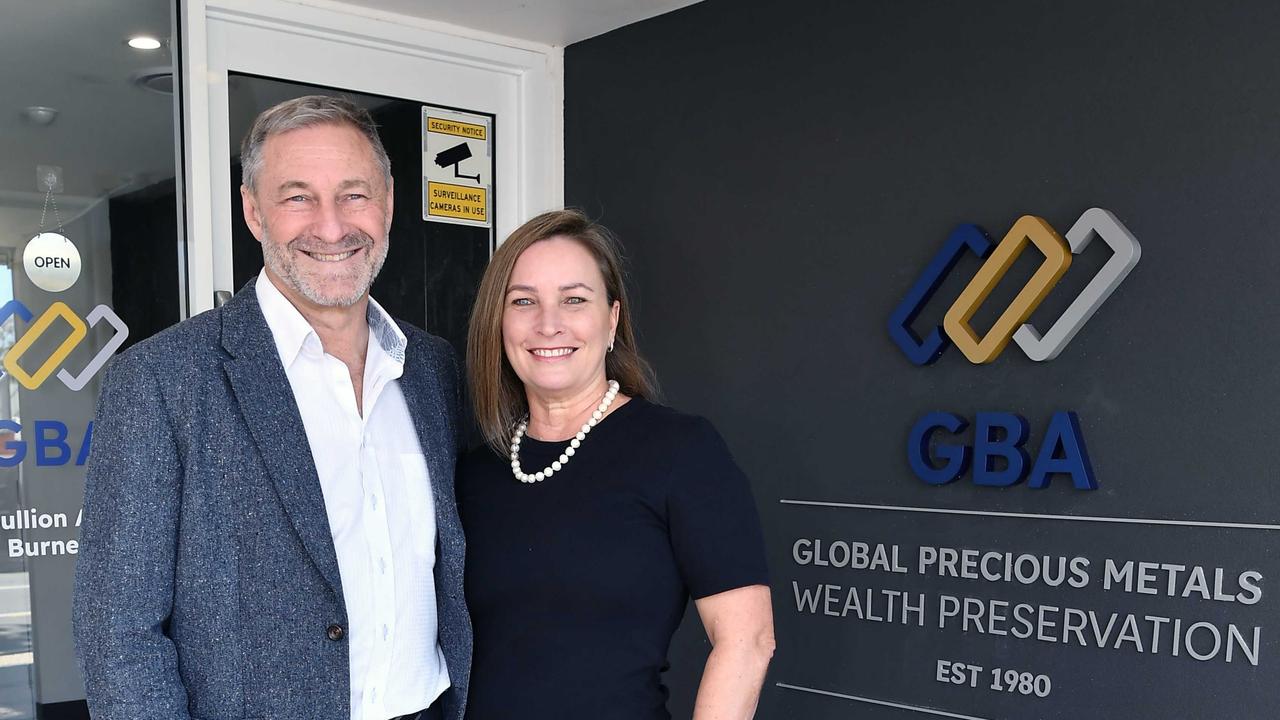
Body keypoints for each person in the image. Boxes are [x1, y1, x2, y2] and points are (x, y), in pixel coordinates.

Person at [73, 95, 471, 720]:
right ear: (253, 212)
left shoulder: (433, 370)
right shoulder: (162, 381)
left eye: (353, 194)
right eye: (297, 197)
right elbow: (118, 633)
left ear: (389, 203)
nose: (332, 226)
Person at [458, 209, 774, 719]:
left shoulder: (679, 451)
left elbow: (748, 638)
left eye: (574, 299)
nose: (548, 323)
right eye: (523, 301)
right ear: (499, 323)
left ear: (612, 319)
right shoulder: (475, 470)